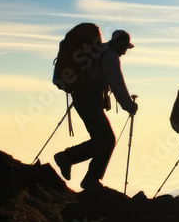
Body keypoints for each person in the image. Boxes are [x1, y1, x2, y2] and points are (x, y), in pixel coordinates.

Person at [53, 30, 138, 190]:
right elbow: (116, 83)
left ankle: (82, 171)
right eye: (125, 47)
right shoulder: (110, 56)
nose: (125, 51)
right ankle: (79, 169)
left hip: (83, 98)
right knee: (106, 141)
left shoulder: (98, 52)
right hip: (90, 100)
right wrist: (129, 105)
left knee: (104, 140)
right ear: (119, 43)